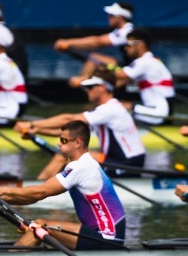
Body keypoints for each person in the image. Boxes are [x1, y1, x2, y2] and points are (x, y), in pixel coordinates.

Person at [0, 120, 126, 250]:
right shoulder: (83, 164)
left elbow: (40, 193)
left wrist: (0, 192)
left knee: (43, 226)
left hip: (107, 237)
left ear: (77, 142)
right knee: (38, 227)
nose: (59, 144)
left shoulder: (82, 166)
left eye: (63, 140)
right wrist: (0, 200)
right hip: (101, 234)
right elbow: (33, 197)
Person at [14, 69, 144, 180]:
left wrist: (31, 124)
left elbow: (69, 119)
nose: (87, 91)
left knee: (63, 156)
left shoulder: (109, 109)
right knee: (69, 151)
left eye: (90, 87)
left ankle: (37, 191)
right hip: (119, 161)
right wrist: (35, 130)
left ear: (102, 88)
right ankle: (49, 187)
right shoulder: (107, 109)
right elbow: (69, 131)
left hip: (124, 166)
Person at [54, 1, 135, 88]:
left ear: (120, 17)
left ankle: (83, 86)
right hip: (125, 67)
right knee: (97, 59)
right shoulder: (122, 30)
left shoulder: (126, 32)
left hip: (130, 71)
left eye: (111, 15)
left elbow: (97, 42)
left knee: (94, 59)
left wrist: (67, 42)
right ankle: (85, 83)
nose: (108, 17)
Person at [110, 28, 175, 125]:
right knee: (112, 104)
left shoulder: (145, 62)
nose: (125, 48)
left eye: (129, 44)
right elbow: (116, 83)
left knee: (115, 106)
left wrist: (98, 70)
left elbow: (119, 75)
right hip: (159, 111)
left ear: (140, 44)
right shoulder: (150, 61)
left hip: (160, 114)